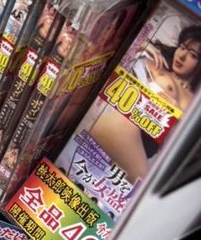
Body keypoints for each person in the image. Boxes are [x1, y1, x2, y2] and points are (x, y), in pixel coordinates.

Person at [85, 22, 201, 183]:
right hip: (118, 125)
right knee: (122, 122)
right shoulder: (157, 65)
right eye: (182, 47)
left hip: (145, 152)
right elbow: (113, 53)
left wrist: (177, 116)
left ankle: (140, 187)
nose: (182, 56)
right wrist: (143, 46)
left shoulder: (195, 102)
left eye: (193, 55)